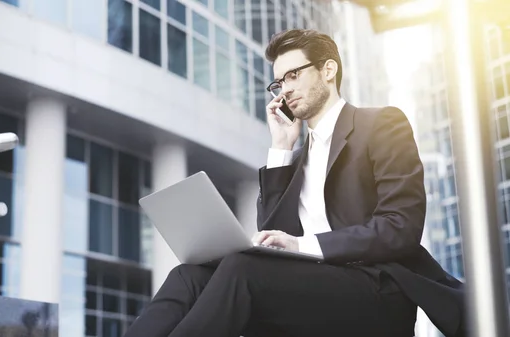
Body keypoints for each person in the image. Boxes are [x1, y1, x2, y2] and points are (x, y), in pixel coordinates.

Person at [123, 29, 465, 337]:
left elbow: (400, 227)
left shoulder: (380, 124)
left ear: (328, 71)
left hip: (377, 289)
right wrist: (281, 148)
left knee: (243, 270)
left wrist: (303, 246)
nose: (284, 89)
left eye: (293, 75)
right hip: (309, 287)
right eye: (278, 83)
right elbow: (274, 236)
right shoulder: (298, 156)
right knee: (188, 276)